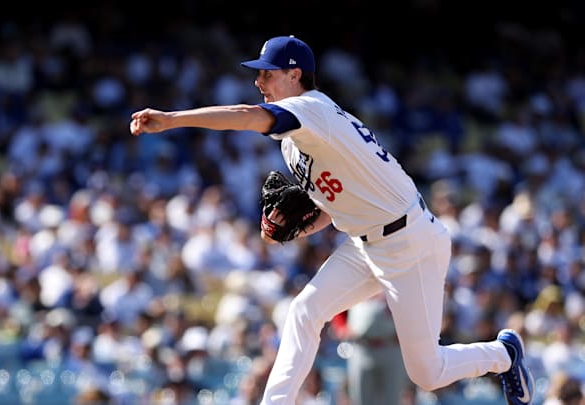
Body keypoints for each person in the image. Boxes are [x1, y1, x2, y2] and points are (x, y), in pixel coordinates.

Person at [129, 35, 534, 405]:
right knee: (305, 310)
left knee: (427, 372)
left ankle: (503, 354)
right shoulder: (295, 144)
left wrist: (172, 119)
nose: (259, 81)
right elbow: (330, 204)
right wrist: (298, 228)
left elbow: (246, 115)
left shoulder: (312, 109)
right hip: (366, 242)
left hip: (411, 243)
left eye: (267, 73)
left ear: (295, 74)